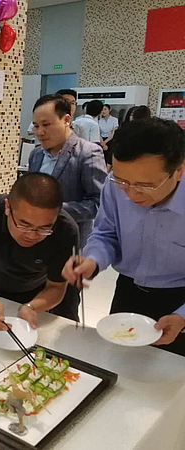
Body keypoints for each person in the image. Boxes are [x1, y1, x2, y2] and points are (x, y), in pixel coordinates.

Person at [63, 118, 185, 356]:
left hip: (179, 298)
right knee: (118, 362)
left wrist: (182, 316)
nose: (131, 194)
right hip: (129, 292)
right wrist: (92, 260)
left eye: (145, 185)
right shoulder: (114, 186)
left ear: (179, 170)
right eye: (123, 181)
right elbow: (106, 233)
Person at [0, 173, 79, 329]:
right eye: (24, 225)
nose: (32, 235)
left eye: (44, 228)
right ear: (7, 207)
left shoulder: (67, 230)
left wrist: (31, 307)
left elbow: (56, 287)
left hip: (36, 294)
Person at [29, 94, 107, 247]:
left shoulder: (88, 152)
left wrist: (53, 211)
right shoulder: (36, 154)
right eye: (36, 126)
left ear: (66, 120)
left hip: (69, 242)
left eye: (46, 124)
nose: (40, 132)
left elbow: (98, 204)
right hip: (34, 241)